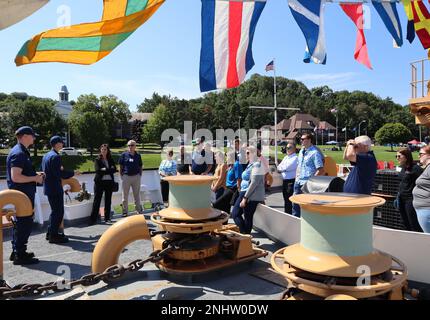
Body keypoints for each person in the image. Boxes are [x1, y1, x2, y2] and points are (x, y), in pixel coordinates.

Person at [7, 126, 44, 265]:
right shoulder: (19, 153)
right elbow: (16, 177)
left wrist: (35, 176)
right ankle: (20, 255)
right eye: (32, 135)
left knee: (21, 224)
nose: (34, 138)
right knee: (24, 223)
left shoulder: (21, 151)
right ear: (24, 136)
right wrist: (35, 178)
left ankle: (17, 251)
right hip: (22, 196)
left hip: (23, 194)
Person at [42, 136, 78, 244]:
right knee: (59, 212)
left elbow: (47, 171)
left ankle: (50, 232)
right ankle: (54, 236)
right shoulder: (55, 157)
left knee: (54, 211)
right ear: (57, 144)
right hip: (55, 188)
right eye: (61, 143)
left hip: (48, 187)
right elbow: (59, 174)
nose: (62, 144)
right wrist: (73, 173)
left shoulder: (46, 155)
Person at [231, 146, 265, 234]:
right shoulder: (250, 165)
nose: (245, 155)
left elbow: (254, 183)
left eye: (247, 153)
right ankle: (245, 236)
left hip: (249, 195)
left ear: (253, 153)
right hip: (245, 192)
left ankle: (245, 236)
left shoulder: (257, 165)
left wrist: (245, 198)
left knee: (238, 214)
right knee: (245, 216)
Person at [292, 133, 325, 217]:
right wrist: (296, 178)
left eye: (303, 139)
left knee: (306, 206)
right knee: (295, 205)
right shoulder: (301, 151)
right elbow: (299, 166)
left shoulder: (315, 153)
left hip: (307, 183)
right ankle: (296, 224)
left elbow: (321, 170)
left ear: (309, 140)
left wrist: (311, 182)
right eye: (301, 139)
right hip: (298, 182)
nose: (301, 140)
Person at [395, 148, 423, 232]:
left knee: (413, 222)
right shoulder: (400, 168)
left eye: (399, 156)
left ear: (406, 156)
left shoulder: (416, 168)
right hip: (401, 199)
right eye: (396, 156)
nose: (397, 158)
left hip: (411, 200)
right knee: (404, 222)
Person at [89, 144, 117, 225]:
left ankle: (107, 218)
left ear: (107, 150)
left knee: (108, 201)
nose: (104, 151)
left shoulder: (110, 159)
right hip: (99, 183)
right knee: (97, 201)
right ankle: (93, 219)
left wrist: (105, 170)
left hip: (109, 182)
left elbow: (114, 169)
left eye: (105, 149)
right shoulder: (97, 160)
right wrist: (109, 170)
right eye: (102, 149)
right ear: (100, 150)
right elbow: (98, 171)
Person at [119, 140, 144, 217]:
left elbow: (140, 166)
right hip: (126, 177)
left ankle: (138, 210)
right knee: (125, 195)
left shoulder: (138, 155)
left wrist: (140, 175)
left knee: (136, 195)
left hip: (136, 177)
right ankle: (125, 211)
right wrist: (122, 176)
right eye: (129, 145)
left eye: (132, 145)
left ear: (135, 146)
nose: (130, 147)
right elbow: (120, 166)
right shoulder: (124, 155)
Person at [413, 146, 430, 233]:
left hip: (427, 210)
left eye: (421, 154)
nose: (419, 156)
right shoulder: (427, 168)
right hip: (424, 209)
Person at [277, 142, 298, 214]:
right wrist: (282, 169)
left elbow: (287, 167)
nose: (287, 149)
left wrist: (282, 169)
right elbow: (279, 167)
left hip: (291, 182)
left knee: (289, 200)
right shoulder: (286, 157)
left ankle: (289, 215)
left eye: (289, 148)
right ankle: (287, 214)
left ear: (294, 149)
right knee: (285, 200)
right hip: (285, 181)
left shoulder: (295, 158)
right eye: (287, 147)